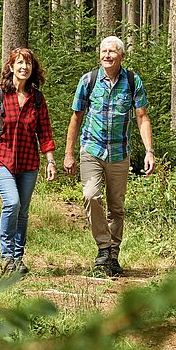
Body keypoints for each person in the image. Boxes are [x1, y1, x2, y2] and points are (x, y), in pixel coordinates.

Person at [63, 36, 155, 275]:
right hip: (91, 150)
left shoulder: (133, 82)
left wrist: (149, 151)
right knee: (91, 195)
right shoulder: (88, 80)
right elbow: (76, 118)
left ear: (121, 56)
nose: (106, 55)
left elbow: (142, 117)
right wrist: (68, 153)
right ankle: (103, 246)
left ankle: (113, 255)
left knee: (117, 207)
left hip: (119, 153)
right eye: (103, 51)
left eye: (112, 51)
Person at [0, 47, 56, 274]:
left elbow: (45, 134)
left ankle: (18, 258)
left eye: (28, 63)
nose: (24, 67)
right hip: (1, 159)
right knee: (12, 203)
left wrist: (51, 161)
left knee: (23, 210)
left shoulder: (37, 99)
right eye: (19, 63)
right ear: (11, 67)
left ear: (33, 68)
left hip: (29, 163)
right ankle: (6, 255)